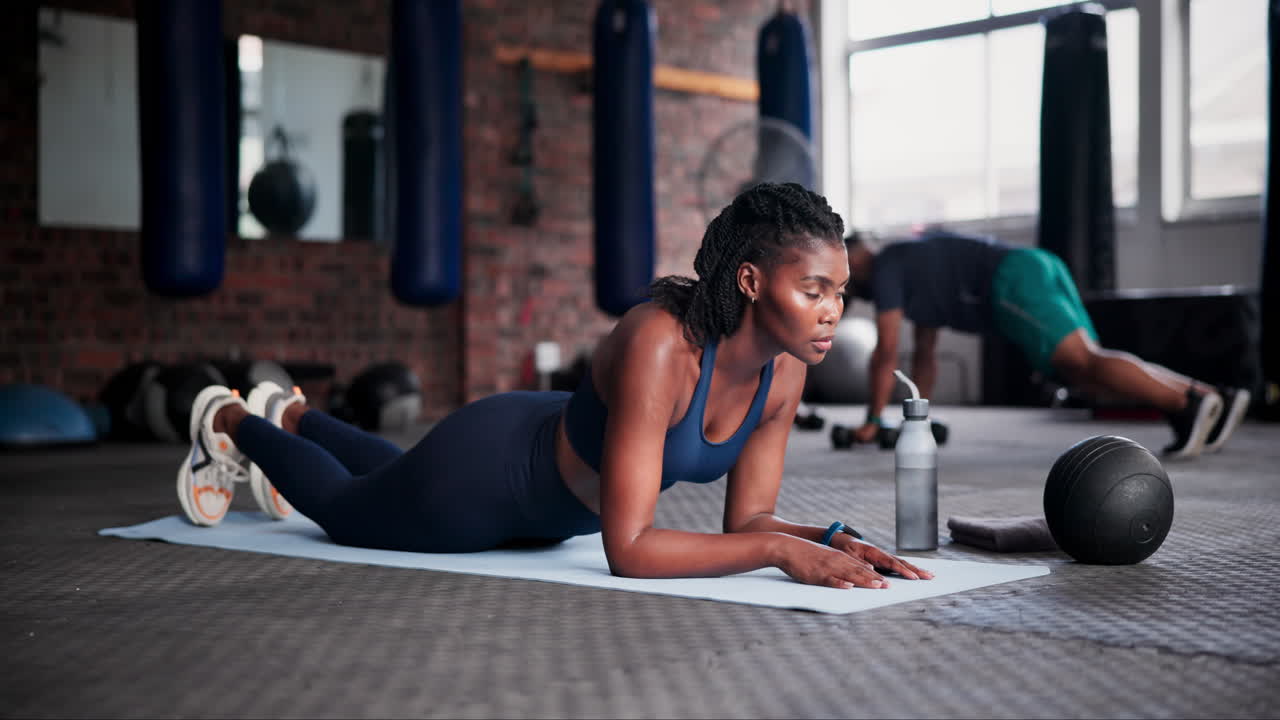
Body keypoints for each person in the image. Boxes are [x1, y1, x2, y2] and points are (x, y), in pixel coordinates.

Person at [175, 182, 933, 590]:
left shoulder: (783, 375)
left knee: (387, 472)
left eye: (839, 291)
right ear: (751, 280)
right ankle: (234, 421)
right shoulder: (660, 345)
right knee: (347, 508)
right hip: (491, 478)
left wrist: (833, 542)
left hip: (546, 497)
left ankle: (300, 415)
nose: (833, 311)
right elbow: (629, 548)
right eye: (814, 290)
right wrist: (780, 554)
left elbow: (750, 519)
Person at [843, 229, 1251, 459]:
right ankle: (1211, 398)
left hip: (1011, 282)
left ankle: (1186, 405)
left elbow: (886, 352)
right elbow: (925, 357)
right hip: (1032, 265)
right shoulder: (910, 267)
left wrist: (873, 420)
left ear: (854, 258)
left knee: (1085, 362)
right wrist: (919, 420)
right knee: (1082, 371)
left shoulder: (886, 268)